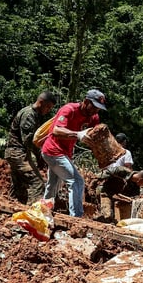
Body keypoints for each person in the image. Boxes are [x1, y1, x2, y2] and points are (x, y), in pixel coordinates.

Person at [41, 89, 106, 217]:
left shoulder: (93, 116)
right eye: (94, 107)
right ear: (86, 101)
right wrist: (77, 134)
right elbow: (56, 130)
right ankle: (76, 218)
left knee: (53, 184)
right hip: (53, 150)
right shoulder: (69, 109)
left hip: (64, 153)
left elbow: (95, 135)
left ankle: (43, 212)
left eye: (99, 109)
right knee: (76, 181)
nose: (96, 111)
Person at [5, 91, 57, 204]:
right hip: (17, 153)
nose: (48, 110)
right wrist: (41, 156)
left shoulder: (35, 115)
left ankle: (11, 209)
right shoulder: (29, 114)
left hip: (19, 153)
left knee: (19, 187)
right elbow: (28, 140)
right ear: (41, 102)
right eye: (48, 107)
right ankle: (34, 214)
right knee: (37, 183)